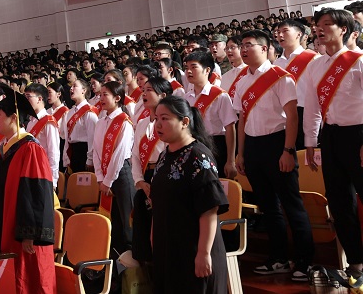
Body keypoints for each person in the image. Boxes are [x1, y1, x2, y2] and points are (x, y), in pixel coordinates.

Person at [234, 29, 313, 281]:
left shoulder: (281, 77)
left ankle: (305, 261)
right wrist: (240, 153)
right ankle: (278, 258)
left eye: (249, 45)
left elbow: (292, 117)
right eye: (241, 45)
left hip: (277, 143)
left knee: (291, 204)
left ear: (265, 48)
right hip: (253, 147)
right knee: (268, 207)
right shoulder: (242, 82)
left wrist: (288, 150)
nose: (244, 50)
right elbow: (242, 119)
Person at [303, 8, 363, 281]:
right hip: (331, 137)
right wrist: (310, 142)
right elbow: (312, 107)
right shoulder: (315, 66)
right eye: (318, 24)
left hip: (359, 136)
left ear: (344, 29)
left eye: (327, 24)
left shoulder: (358, 61)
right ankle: (356, 264)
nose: (320, 29)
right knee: (340, 203)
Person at [151, 96, 229, 294]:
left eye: (165, 118)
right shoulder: (164, 156)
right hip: (170, 248)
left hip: (194, 248)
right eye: (156, 118)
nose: (158, 124)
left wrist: (203, 253)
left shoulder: (198, 156)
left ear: (184, 122)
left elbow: (209, 209)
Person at [0, 88, 55, 294]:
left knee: (26, 279)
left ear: (13, 117)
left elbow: (37, 194)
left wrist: (29, 234)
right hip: (3, 228)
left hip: (22, 233)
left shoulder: (30, 149)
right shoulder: (2, 151)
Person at [130, 76, 172, 263]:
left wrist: (155, 182)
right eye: (143, 90)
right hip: (145, 179)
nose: (144, 94)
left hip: (164, 177)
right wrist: (140, 181)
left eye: (149, 90)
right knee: (143, 227)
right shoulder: (141, 123)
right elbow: (135, 155)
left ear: (163, 95)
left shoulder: (171, 123)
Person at [94, 81, 134, 255]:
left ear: (117, 98)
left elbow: (120, 153)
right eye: (100, 95)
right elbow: (96, 151)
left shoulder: (124, 122)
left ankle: (132, 263)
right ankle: (114, 261)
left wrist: (108, 180)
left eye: (105, 95)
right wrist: (100, 178)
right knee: (113, 222)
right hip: (105, 176)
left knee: (127, 222)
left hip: (121, 173)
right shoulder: (100, 122)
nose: (101, 98)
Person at [184, 51, 237, 179]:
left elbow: (230, 128)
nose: (189, 71)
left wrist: (231, 160)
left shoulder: (220, 96)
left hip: (216, 146)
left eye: (193, 67)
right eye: (186, 68)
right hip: (193, 145)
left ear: (207, 70)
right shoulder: (186, 97)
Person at [274, 19, 318, 151]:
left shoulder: (313, 58)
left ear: (299, 34)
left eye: (285, 31)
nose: (280, 35)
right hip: (283, 116)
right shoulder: (276, 64)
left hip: (306, 113)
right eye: (278, 32)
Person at [24, 83, 60, 189]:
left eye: (28, 97)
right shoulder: (30, 122)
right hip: (30, 169)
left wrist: (53, 180)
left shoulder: (48, 121)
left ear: (39, 99)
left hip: (43, 171)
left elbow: (53, 152)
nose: (26, 101)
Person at [61, 78, 98, 173]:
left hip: (84, 152)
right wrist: (66, 157)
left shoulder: (89, 112)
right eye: (71, 86)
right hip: (73, 152)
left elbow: (93, 138)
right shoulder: (70, 112)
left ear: (83, 91)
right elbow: (67, 137)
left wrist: (90, 159)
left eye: (75, 86)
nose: (71, 89)